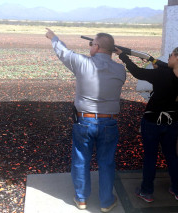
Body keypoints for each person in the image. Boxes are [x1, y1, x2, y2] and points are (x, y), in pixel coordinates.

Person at [45, 28, 126, 212]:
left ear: (96, 46)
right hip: (110, 122)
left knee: (81, 160)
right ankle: (106, 202)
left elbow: (63, 52)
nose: (90, 47)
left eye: (92, 43)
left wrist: (53, 37)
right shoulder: (121, 70)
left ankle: (81, 199)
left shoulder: (82, 63)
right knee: (107, 163)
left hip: (84, 121)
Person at [115, 45, 178, 202]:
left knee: (150, 157)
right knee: (171, 155)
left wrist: (123, 56)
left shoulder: (162, 74)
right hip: (172, 122)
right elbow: (168, 69)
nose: (168, 57)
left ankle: (146, 191)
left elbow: (137, 73)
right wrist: (152, 60)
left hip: (152, 122)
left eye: (171, 55)